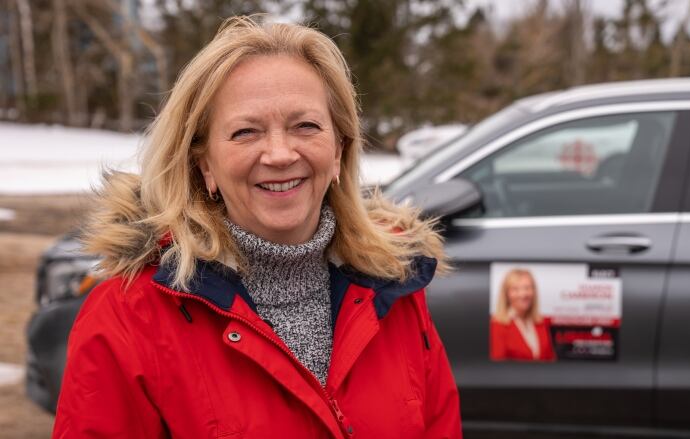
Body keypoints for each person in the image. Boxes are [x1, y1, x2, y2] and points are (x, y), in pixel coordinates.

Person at [53, 15, 461, 438]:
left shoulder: (395, 289)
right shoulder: (127, 318)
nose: (280, 154)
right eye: (246, 132)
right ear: (204, 164)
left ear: (339, 150)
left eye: (306, 126)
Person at [490, 269, 556, 362]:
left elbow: (550, 359)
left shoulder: (540, 322)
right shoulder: (498, 325)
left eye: (527, 288)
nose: (523, 294)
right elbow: (497, 366)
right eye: (515, 289)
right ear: (506, 294)